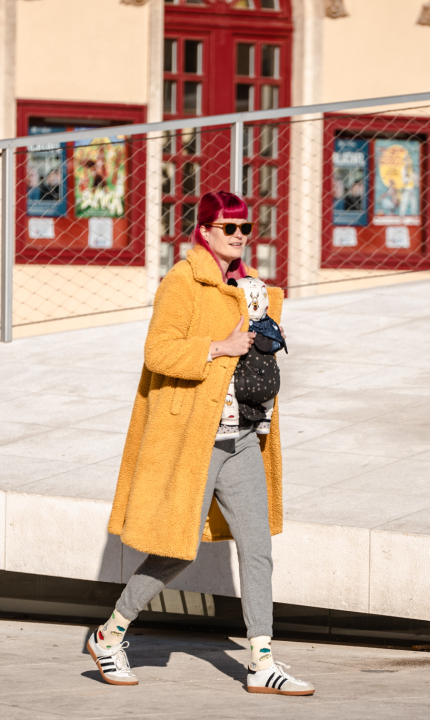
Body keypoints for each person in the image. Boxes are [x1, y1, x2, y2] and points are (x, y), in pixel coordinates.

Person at [89, 191, 314, 696]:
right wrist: (218, 347)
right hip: (196, 437)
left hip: (243, 437)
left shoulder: (249, 285)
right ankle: (110, 634)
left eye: (245, 228)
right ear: (205, 231)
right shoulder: (183, 281)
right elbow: (158, 351)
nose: (238, 236)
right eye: (228, 228)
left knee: (257, 551)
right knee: (176, 548)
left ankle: (262, 661)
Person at [216, 275, 287, 441]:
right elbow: (277, 344)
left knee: (228, 384)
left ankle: (229, 423)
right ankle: (265, 419)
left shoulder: (240, 324)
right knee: (270, 379)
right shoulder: (271, 325)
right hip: (272, 385)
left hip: (247, 384)